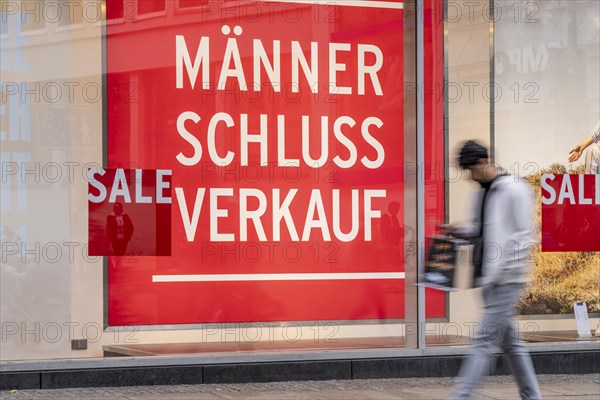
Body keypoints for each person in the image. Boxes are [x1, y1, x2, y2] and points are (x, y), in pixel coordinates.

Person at [444, 140, 541, 400]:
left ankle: (460, 396)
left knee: (482, 342)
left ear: (482, 162)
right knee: (512, 344)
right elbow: (479, 230)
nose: (468, 176)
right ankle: (532, 396)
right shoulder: (481, 192)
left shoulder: (515, 189)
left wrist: (505, 269)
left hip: (507, 281)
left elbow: (525, 236)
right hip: (487, 280)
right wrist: (459, 231)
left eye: (470, 170)